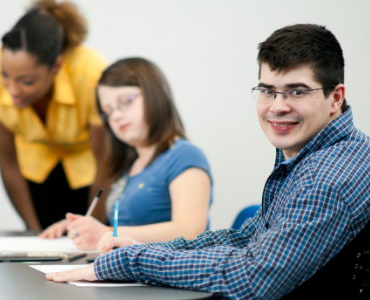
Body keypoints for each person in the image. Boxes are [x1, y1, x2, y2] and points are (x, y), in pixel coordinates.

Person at [46, 24, 370, 299]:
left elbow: (255, 276)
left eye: (296, 92)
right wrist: (153, 251)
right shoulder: (308, 156)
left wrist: (133, 261)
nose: (278, 106)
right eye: (267, 91)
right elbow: (245, 240)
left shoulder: (328, 175)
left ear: (335, 98)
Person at [40, 58, 213, 250]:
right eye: (108, 112)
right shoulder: (130, 164)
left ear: (155, 94)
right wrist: (79, 229)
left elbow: (192, 231)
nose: (116, 116)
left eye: (125, 102)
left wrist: (107, 233)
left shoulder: (185, 156)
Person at [0, 0, 109, 231]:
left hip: (88, 171)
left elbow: (105, 161)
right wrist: (33, 231)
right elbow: (7, 161)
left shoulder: (90, 73)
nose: (13, 89)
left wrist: (91, 226)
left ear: (56, 66)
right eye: (5, 76)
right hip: (34, 171)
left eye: (27, 81)